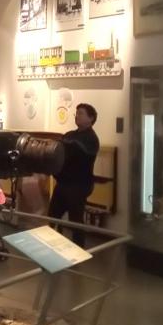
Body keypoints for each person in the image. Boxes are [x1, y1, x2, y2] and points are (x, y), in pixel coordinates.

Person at [49, 103, 100, 247]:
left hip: (78, 185)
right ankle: (51, 246)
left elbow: (73, 150)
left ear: (91, 118)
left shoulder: (91, 139)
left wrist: (61, 145)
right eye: (76, 113)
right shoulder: (70, 135)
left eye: (81, 113)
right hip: (63, 183)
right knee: (52, 216)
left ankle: (79, 250)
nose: (77, 116)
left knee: (76, 221)